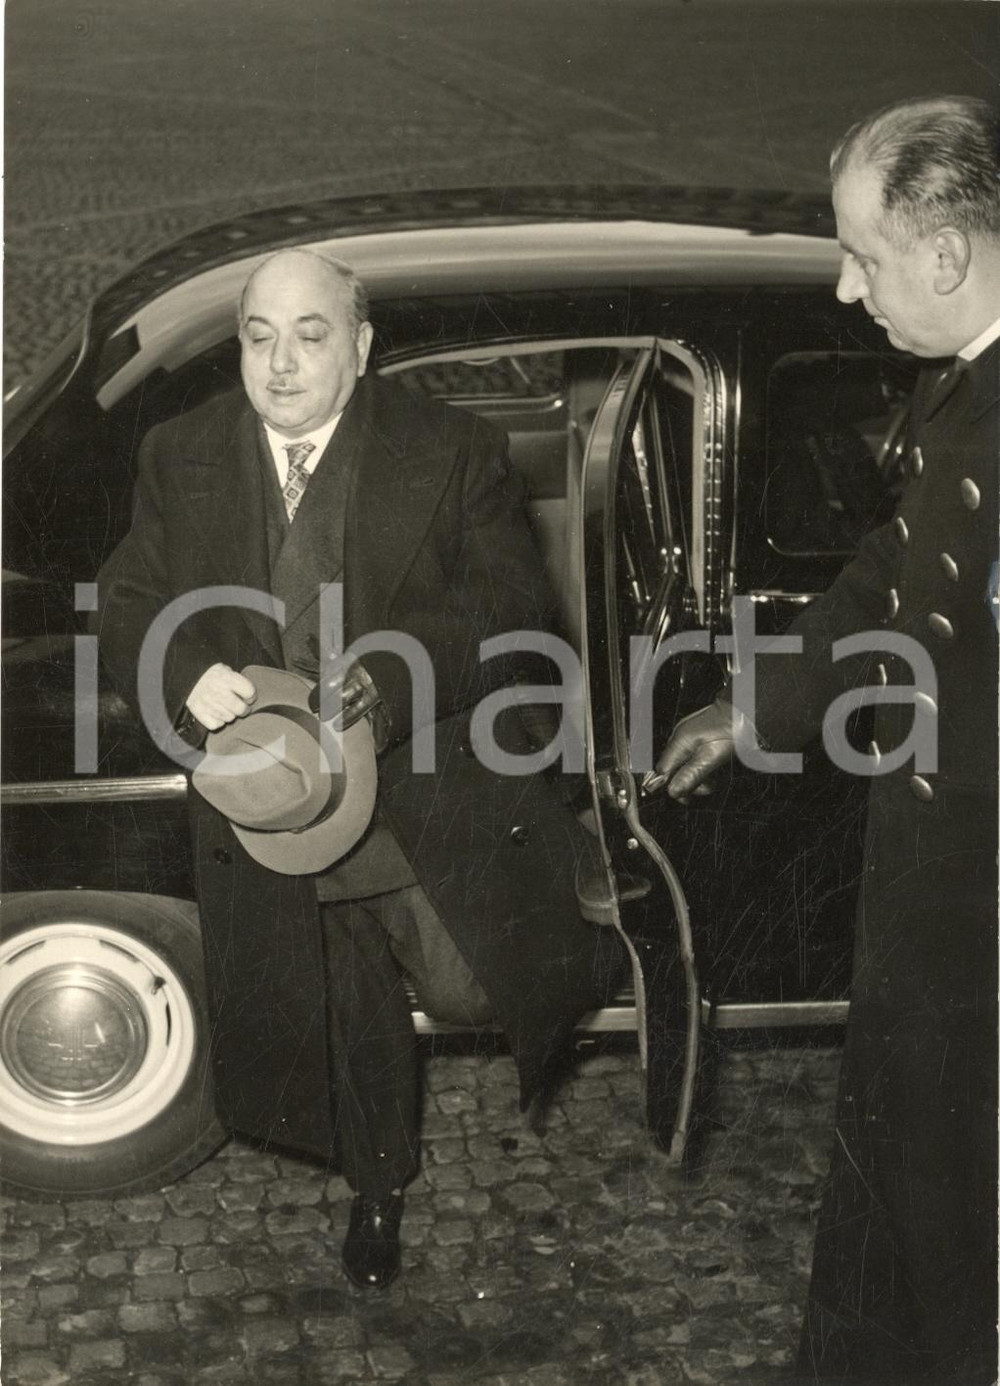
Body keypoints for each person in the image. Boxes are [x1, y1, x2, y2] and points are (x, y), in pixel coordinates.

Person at [95, 248, 622, 1291]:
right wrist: (184, 671)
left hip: (415, 784)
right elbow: (128, 600)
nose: (281, 365)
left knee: (471, 985)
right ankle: (377, 1188)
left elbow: (516, 613)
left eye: (311, 335)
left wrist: (391, 675)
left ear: (362, 347)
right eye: (259, 338)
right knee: (344, 1005)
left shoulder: (453, 446)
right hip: (275, 803)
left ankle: (589, 961)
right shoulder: (180, 450)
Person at [646, 96, 999, 1384]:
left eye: (862, 254)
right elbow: (889, 571)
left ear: (947, 257)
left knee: (969, 1211)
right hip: (936, 889)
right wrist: (754, 705)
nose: (847, 290)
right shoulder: (959, 389)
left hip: (986, 912)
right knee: (904, 1178)